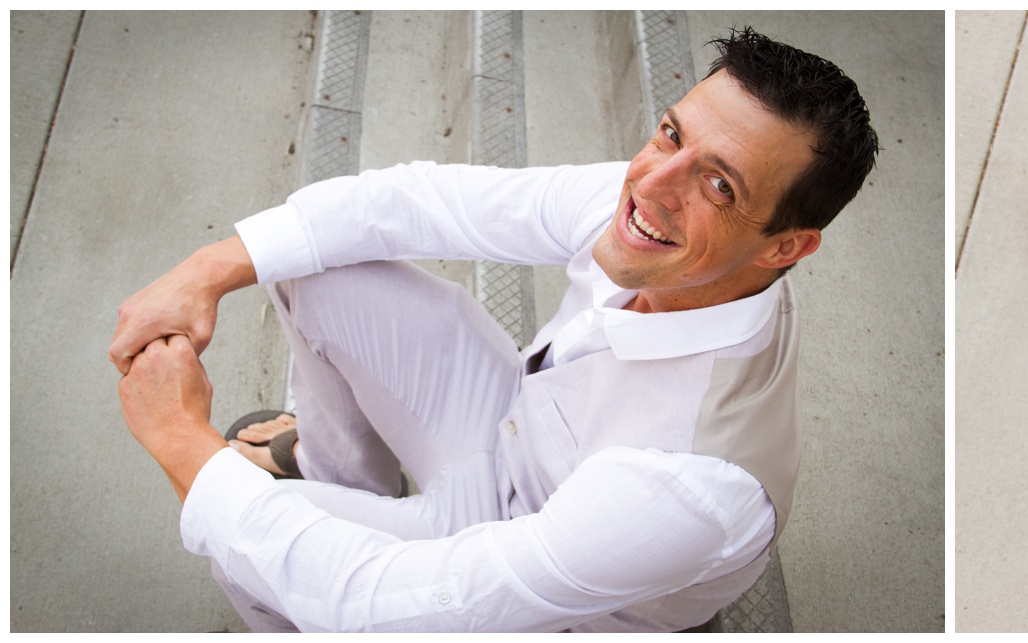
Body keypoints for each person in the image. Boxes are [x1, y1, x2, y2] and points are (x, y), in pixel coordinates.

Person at [111, 28, 878, 632]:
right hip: (512, 422)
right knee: (315, 264)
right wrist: (203, 270)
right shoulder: (658, 212)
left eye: (720, 183)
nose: (651, 181)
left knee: (249, 554)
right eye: (673, 133)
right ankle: (339, 471)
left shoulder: (691, 486)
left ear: (787, 247)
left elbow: (382, 599)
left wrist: (183, 440)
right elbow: (421, 201)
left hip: (559, 580)